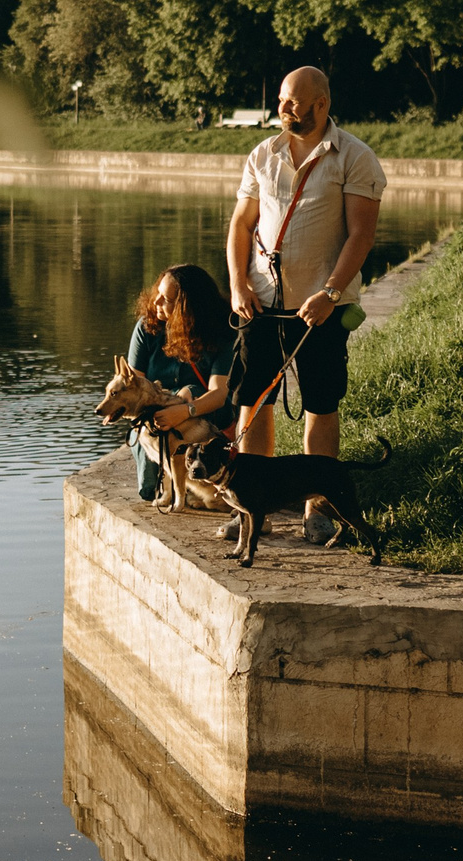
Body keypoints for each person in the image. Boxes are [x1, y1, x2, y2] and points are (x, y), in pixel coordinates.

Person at [224, 66, 383, 545]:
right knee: (254, 400)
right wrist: (237, 284)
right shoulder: (262, 154)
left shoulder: (355, 157)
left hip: (322, 311)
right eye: (281, 100)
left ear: (321, 104)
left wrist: (331, 292)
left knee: (320, 404)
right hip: (261, 305)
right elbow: (240, 226)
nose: (283, 109)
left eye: (293, 102)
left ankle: (319, 508)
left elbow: (362, 234)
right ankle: (255, 507)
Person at [125, 263, 238, 502]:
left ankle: (200, 471)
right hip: (155, 416)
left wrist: (184, 410)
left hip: (207, 414)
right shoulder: (147, 328)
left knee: (190, 391)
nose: (156, 303)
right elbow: (134, 387)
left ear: (188, 307)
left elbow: (218, 394)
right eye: (158, 294)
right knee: (148, 491)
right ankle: (179, 483)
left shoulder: (221, 333)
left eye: (166, 299)